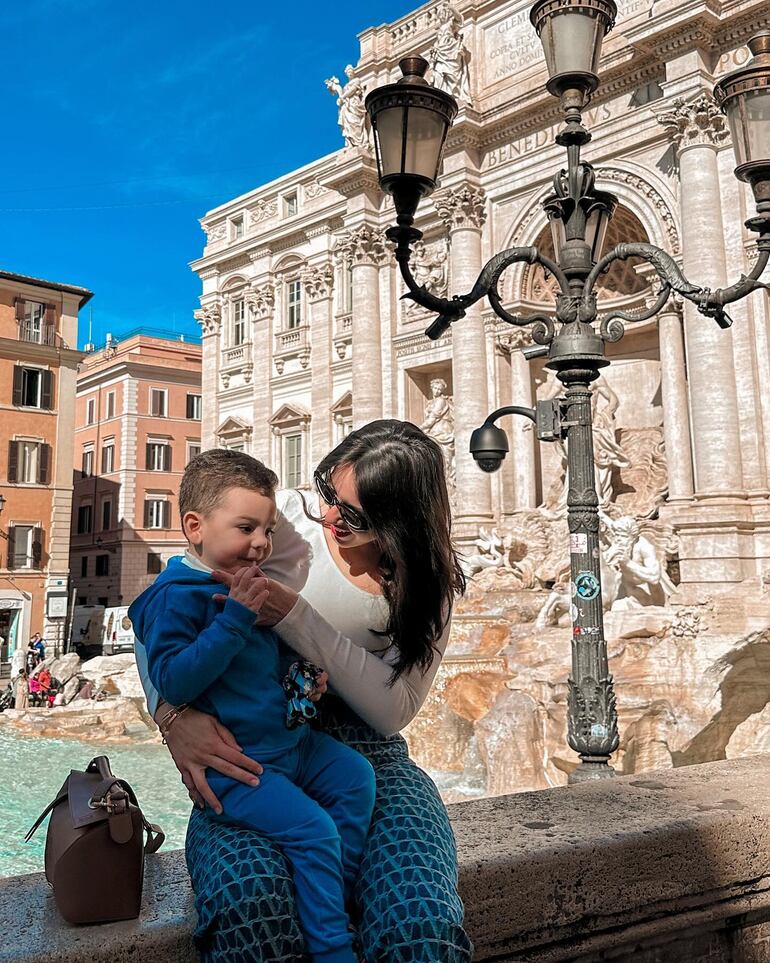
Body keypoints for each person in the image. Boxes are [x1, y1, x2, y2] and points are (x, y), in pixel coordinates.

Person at [135, 420, 472, 963]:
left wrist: (296, 618)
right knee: (252, 905)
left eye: (355, 513)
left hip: (370, 757)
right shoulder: (282, 520)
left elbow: (392, 711)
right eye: (328, 493)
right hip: (247, 750)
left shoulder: (428, 582)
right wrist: (171, 717)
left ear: (401, 518)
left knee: (420, 920)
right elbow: (165, 610)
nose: (332, 516)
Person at [131, 450, 375, 963]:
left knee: (357, 779)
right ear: (194, 527)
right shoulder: (173, 597)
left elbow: (263, 658)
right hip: (240, 768)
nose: (261, 543)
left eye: (266, 530)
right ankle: (333, 948)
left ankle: (334, 895)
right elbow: (173, 679)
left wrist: (302, 678)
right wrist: (234, 620)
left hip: (292, 745)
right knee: (315, 831)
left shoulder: (246, 583)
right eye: (247, 527)